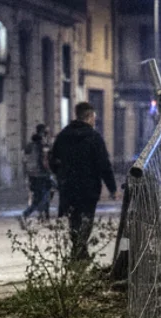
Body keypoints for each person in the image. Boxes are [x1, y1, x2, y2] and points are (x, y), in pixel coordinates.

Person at [50, 102, 118, 260]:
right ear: (88, 117)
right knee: (86, 219)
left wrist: (61, 175)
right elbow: (104, 164)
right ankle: (79, 253)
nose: (95, 120)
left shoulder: (63, 136)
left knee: (74, 220)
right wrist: (112, 188)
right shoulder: (94, 137)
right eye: (94, 117)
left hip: (68, 187)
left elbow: (53, 160)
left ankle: (79, 252)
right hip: (89, 188)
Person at [22, 127, 53, 219]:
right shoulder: (42, 146)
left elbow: (24, 159)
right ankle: (29, 213)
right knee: (44, 195)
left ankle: (43, 215)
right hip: (41, 175)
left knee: (41, 195)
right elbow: (43, 161)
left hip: (32, 175)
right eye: (46, 133)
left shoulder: (29, 145)